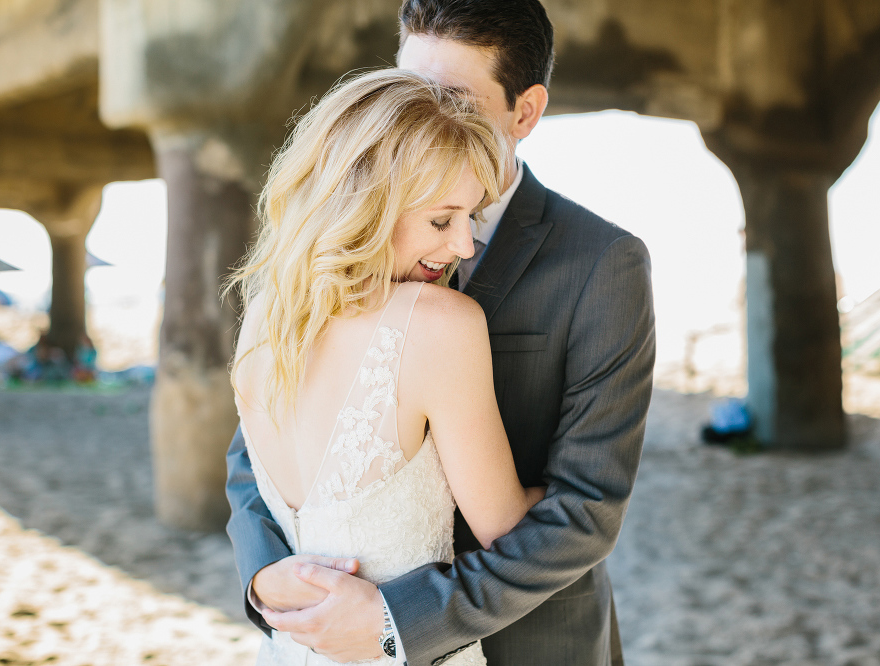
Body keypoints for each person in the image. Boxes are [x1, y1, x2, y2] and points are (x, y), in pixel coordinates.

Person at [226, 1, 657, 664]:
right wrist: (264, 582)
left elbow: (587, 511)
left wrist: (398, 619)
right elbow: (249, 458)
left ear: (527, 111)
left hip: (533, 642)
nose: (421, 112)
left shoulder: (601, 264)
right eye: (407, 86)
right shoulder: (300, 289)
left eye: (450, 95)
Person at [226, 69, 546, 665]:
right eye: (440, 220)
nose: (463, 247)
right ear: (368, 206)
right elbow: (508, 529)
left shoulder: (264, 318)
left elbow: (246, 484)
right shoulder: (441, 323)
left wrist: (261, 580)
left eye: (469, 219)